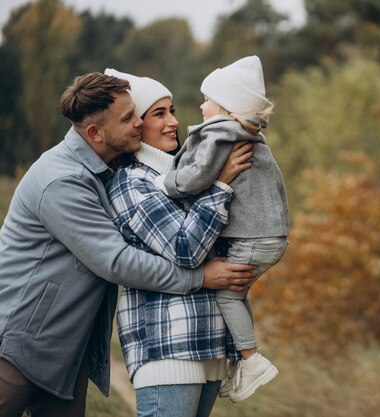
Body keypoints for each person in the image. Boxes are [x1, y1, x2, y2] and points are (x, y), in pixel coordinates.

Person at [0, 73, 256, 417]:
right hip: (17, 346)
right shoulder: (62, 181)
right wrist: (199, 278)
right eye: (128, 118)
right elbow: (117, 261)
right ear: (95, 133)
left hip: (63, 351)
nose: (139, 122)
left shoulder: (103, 170)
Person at [103, 68, 257, 416]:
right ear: (136, 124)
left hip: (208, 346)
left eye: (172, 110)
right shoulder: (132, 183)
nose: (173, 121)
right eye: (159, 113)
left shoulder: (183, 177)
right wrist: (220, 185)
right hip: (167, 348)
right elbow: (185, 249)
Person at [155, 55, 289, 403]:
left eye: (207, 99)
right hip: (270, 236)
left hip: (253, 237)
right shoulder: (249, 133)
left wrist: (164, 182)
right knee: (237, 295)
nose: (201, 105)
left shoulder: (220, 134)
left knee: (227, 293)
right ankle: (239, 363)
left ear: (227, 106)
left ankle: (251, 360)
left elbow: (196, 177)